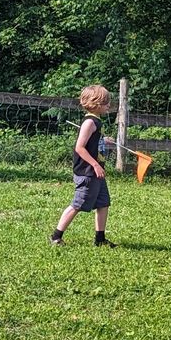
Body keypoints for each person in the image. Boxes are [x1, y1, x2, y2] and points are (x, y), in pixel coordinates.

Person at [52, 84, 115, 247]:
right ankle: (55, 237)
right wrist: (95, 165)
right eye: (106, 102)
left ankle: (100, 239)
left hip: (96, 172)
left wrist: (103, 140)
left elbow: (91, 143)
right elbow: (79, 147)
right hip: (87, 172)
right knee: (78, 204)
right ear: (96, 103)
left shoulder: (96, 121)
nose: (109, 105)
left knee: (103, 202)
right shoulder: (89, 122)